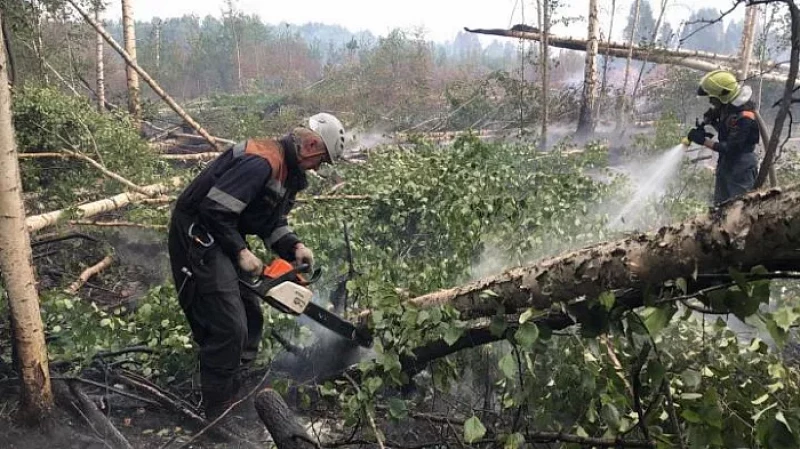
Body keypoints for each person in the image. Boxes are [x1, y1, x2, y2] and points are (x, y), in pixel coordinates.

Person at [167, 113, 346, 420]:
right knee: (230, 325)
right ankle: (217, 412)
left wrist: (294, 246)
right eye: (321, 160)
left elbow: (270, 221)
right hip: (199, 233)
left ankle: (233, 388)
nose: (318, 168)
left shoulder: (287, 172)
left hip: (223, 233)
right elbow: (214, 209)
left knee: (251, 317)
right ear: (311, 145)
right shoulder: (261, 162)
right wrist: (241, 252)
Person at [685, 69, 760, 205]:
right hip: (727, 164)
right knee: (720, 207)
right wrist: (713, 122)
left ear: (723, 95)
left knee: (739, 207)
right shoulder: (729, 108)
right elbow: (728, 132)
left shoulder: (746, 116)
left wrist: (703, 141)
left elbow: (731, 148)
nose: (710, 101)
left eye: (712, 98)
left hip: (741, 167)